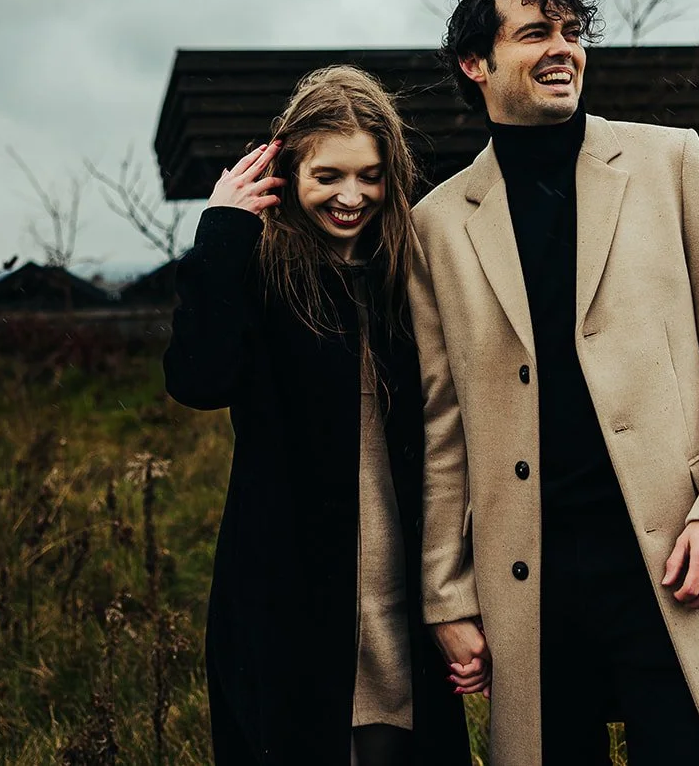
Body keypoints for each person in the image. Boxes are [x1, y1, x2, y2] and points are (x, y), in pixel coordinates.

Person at [409, 0, 699, 764]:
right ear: (476, 64)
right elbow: (442, 421)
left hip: (679, 561)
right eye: (535, 33)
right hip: (532, 589)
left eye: (573, 31)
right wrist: (447, 592)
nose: (564, 48)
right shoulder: (437, 224)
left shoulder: (671, 162)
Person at [163, 65, 470, 766]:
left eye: (369, 175)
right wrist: (221, 228)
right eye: (328, 175)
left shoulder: (408, 273)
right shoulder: (259, 272)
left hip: (398, 580)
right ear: (288, 168)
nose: (351, 195)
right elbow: (198, 378)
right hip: (288, 593)